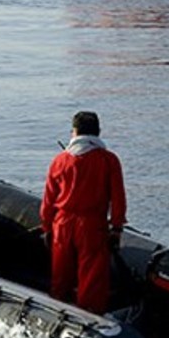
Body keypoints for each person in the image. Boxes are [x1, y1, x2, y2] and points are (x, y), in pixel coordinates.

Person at [40, 111, 127, 314]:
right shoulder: (108, 160)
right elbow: (118, 198)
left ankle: (57, 311)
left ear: (74, 132)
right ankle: (89, 316)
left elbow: (48, 200)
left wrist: (46, 227)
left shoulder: (60, 161)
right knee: (92, 277)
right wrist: (116, 227)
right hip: (92, 225)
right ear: (98, 132)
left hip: (62, 223)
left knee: (61, 275)